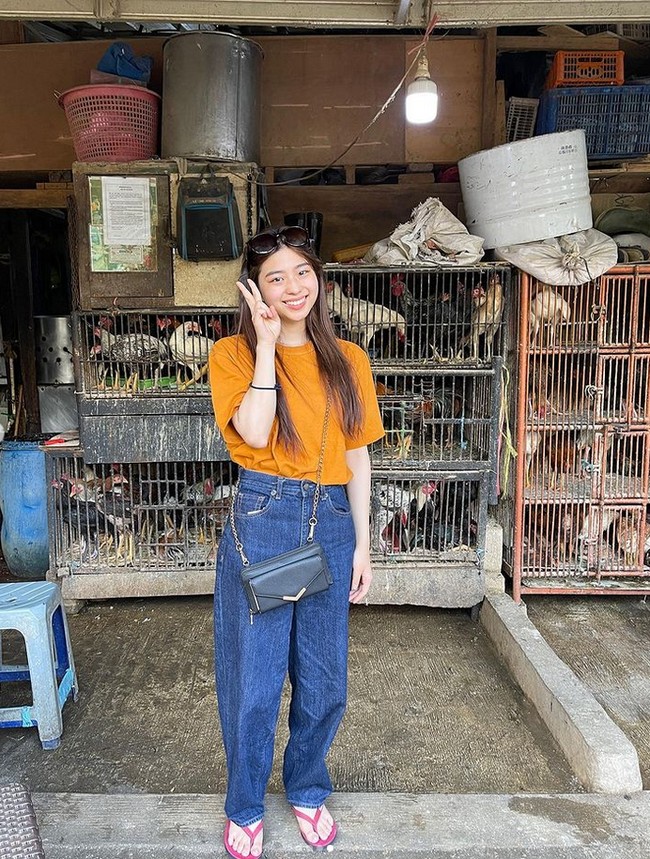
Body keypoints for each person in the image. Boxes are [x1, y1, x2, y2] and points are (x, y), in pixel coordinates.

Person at [208, 224, 384, 858]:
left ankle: (308, 786)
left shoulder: (349, 362)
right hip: (266, 518)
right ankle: (246, 804)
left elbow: (359, 458)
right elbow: (255, 434)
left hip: (332, 523)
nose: (292, 287)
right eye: (274, 277)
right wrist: (263, 343)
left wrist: (363, 544)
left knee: (324, 680)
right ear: (255, 290)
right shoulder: (231, 355)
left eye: (301, 272)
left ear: (319, 279)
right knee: (253, 684)